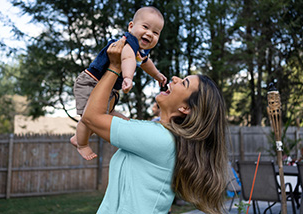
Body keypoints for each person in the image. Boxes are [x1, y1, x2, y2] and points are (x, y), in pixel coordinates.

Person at [81, 37, 229, 213]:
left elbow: (91, 117)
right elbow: (103, 112)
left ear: (185, 108)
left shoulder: (161, 139)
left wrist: (114, 67)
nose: (174, 78)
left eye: (184, 83)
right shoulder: (160, 135)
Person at [70, 6, 167, 160]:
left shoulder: (141, 51)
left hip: (107, 89)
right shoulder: (129, 43)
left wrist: (157, 75)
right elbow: (127, 59)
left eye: (155, 33)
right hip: (91, 82)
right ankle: (80, 142)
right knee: (88, 117)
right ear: (131, 26)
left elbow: (145, 63)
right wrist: (128, 77)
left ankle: (126, 126)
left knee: (105, 116)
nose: (149, 33)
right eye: (145, 27)